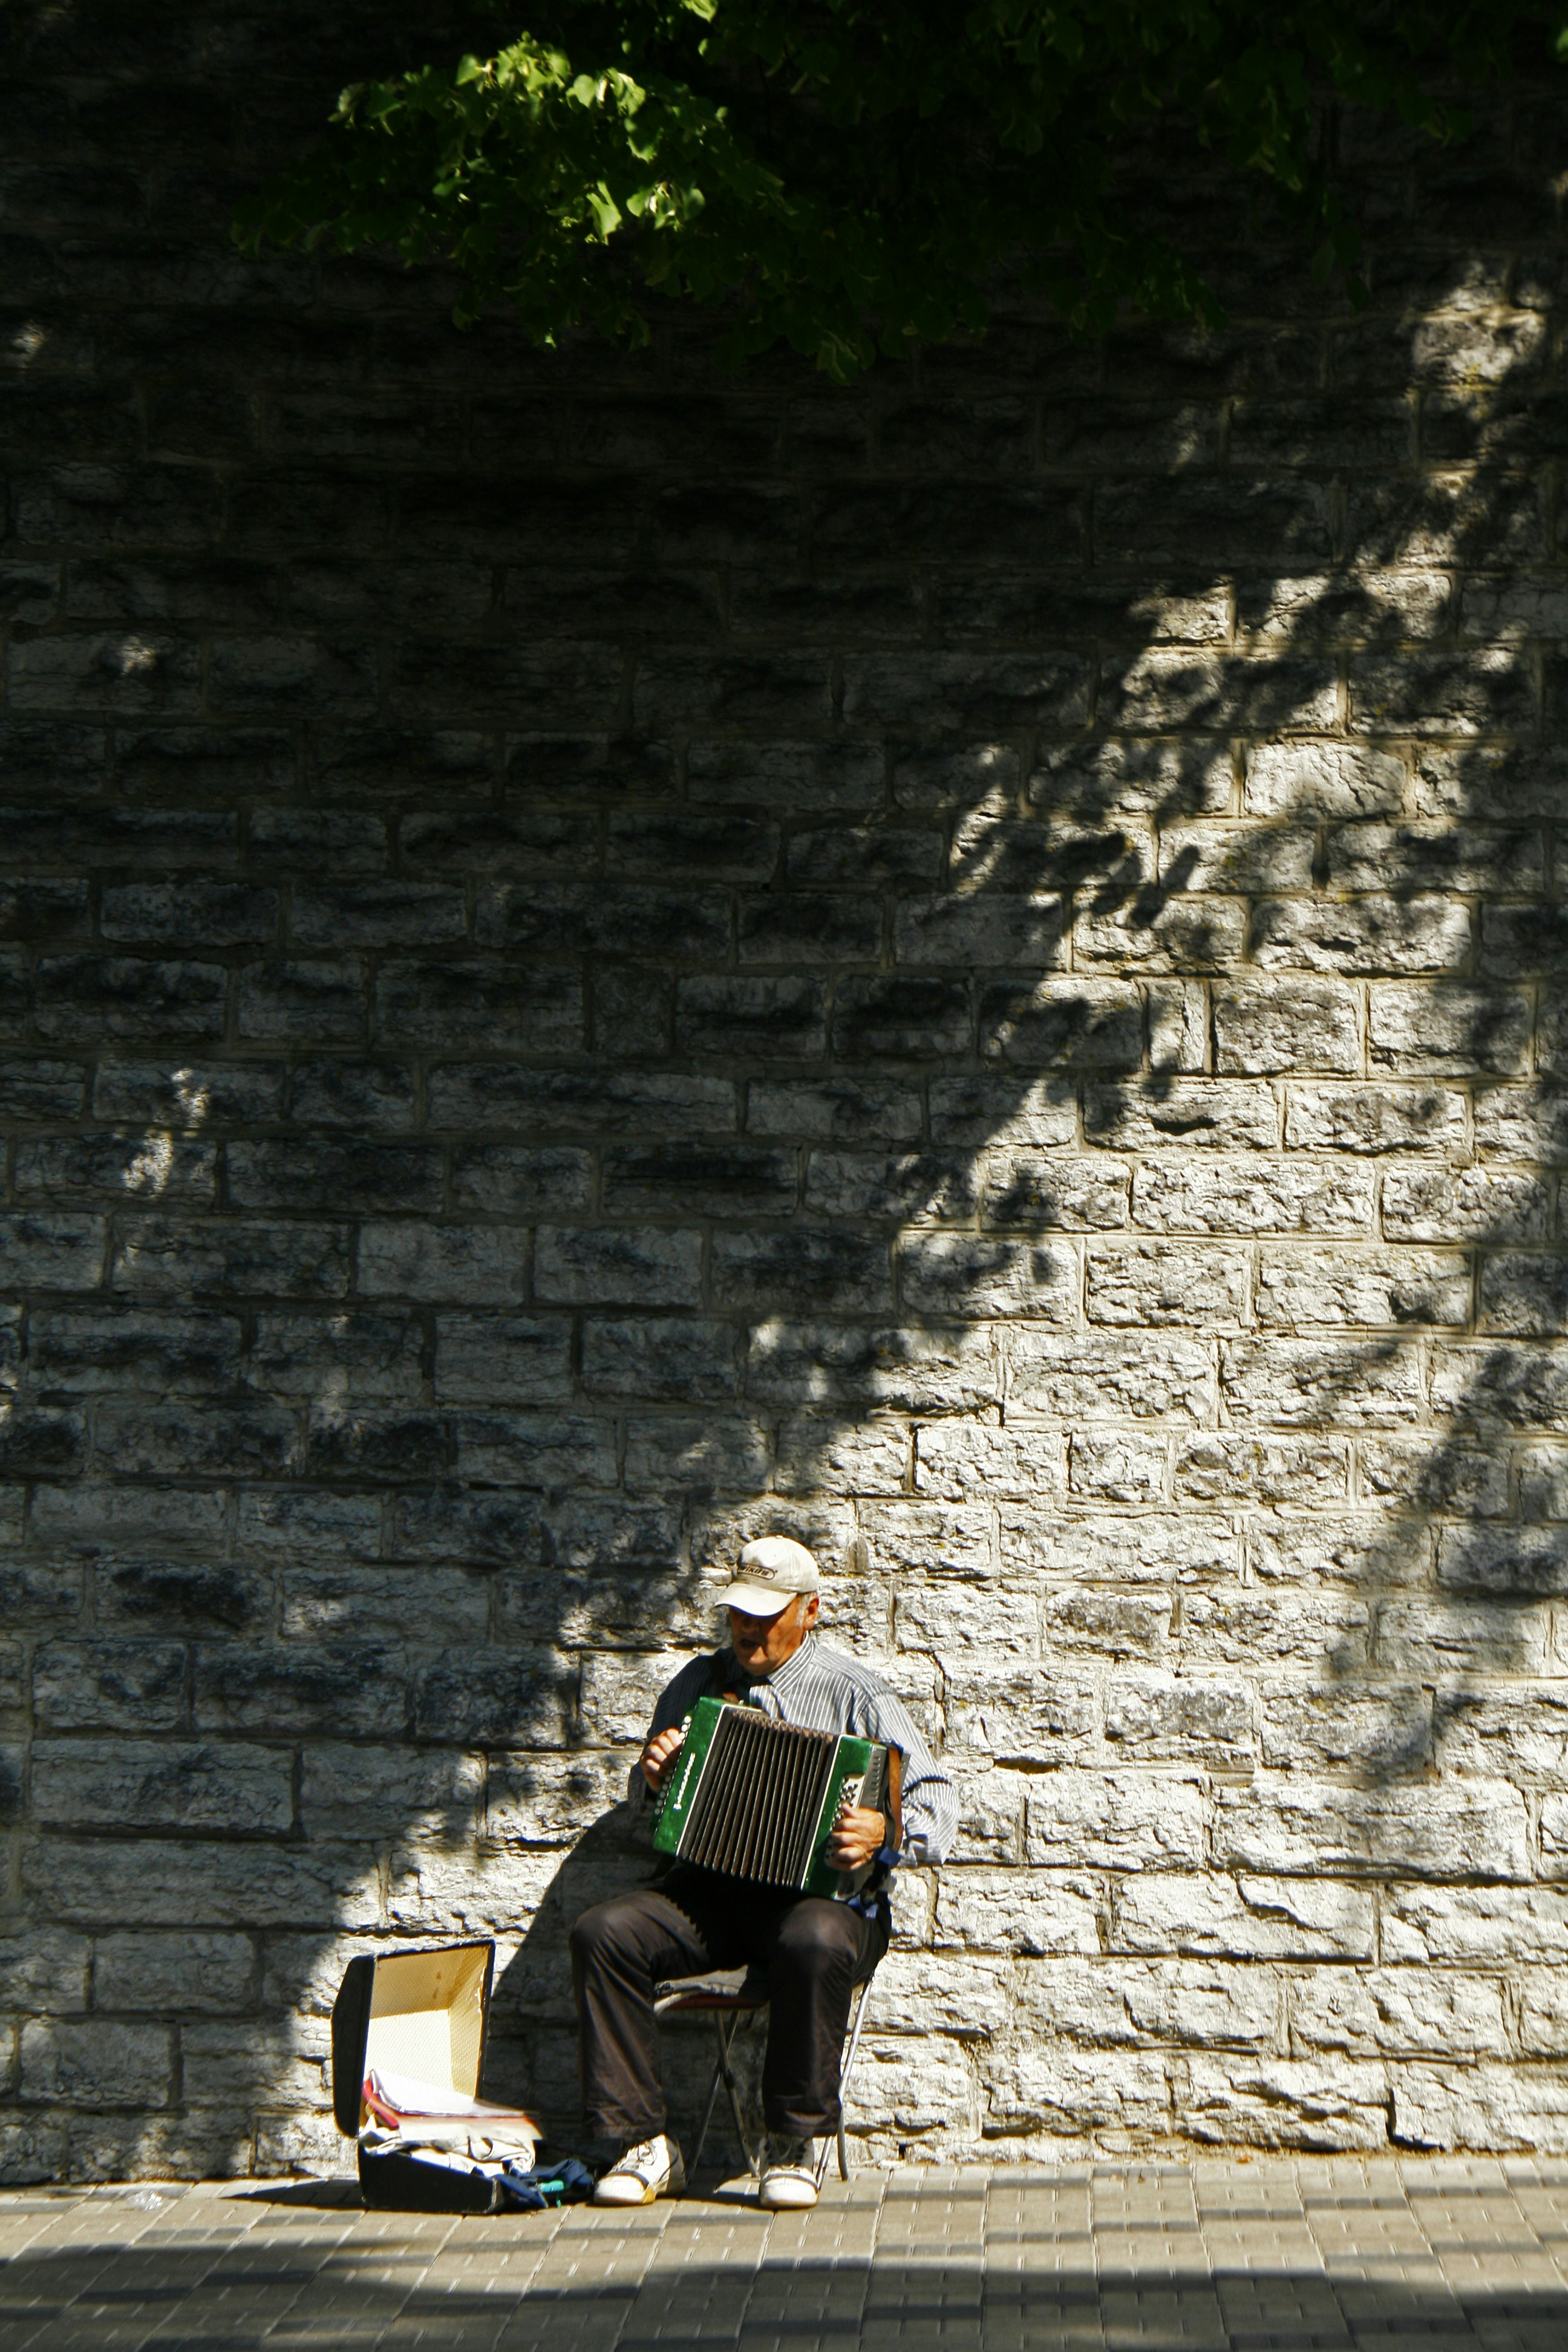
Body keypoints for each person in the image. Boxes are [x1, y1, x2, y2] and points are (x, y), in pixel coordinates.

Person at [570, 1535, 957, 2212]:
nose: (748, 1628)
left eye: (766, 1614)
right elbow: (655, 1812)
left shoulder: (854, 1693)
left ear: (810, 1611)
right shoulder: (697, 1685)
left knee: (813, 1938)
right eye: (739, 1614)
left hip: (822, 1905)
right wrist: (653, 1777)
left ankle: (792, 2143)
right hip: (710, 1899)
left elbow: (938, 1801)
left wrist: (886, 1831)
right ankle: (642, 2144)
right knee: (603, 1933)